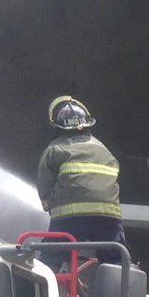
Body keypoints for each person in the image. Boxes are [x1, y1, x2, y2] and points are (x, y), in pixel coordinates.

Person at [36, 96, 126, 269]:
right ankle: (121, 291)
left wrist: (48, 203)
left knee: (51, 257)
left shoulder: (55, 149)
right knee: (115, 261)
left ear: (57, 126)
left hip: (70, 217)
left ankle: (44, 291)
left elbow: (44, 185)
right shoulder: (104, 150)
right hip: (108, 218)